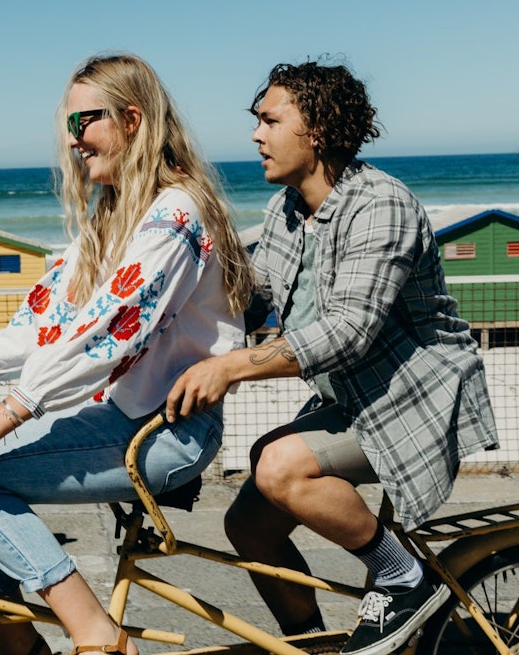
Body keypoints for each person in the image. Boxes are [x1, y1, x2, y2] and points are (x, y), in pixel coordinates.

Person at [0, 53, 255, 655]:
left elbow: (104, 333)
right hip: (119, 418)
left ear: (131, 120)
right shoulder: (112, 217)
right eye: (66, 128)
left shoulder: (175, 215)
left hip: (167, 430)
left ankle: (93, 630)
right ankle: (19, 641)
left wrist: (4, 414)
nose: (74, 141)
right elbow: (43, 319)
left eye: (84, 123)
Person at [165, 60, 499, 655]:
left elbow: (350, 330)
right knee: (246, 523)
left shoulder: (380, 204)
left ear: (315, 129)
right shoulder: (287, 211)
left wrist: (231, 367)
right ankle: (311, 644)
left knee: (278, 466)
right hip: (351, 396)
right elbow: (251, 297)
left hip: (416, 396)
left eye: (269, 120)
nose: (255, 135)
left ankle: (404, 577)